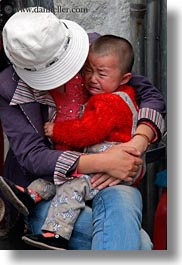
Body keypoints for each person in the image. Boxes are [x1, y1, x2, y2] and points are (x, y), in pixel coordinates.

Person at [0, 9, 166, 250]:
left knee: (124, 206)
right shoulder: (8, 88)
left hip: (112, 179)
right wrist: (103, 161)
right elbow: (32, 156)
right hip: (47, 190)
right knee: (140, 243)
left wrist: (137, 144)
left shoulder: (95, 49)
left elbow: (149, 94)